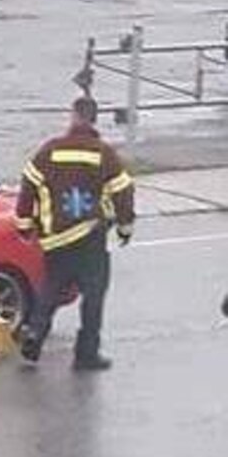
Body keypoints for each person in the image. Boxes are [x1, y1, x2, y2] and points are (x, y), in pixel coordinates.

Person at [14, 96, 135, 371]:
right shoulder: (103, 154)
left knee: (51, 288)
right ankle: (86, 353)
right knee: (94, 295)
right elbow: (123, 191)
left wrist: (24, 225)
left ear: (73, 116)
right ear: (94, 119)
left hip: (55, 238)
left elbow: (28, 186)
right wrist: (125, 227)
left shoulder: (49, 151)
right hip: (90, 236)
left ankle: (34, 334)